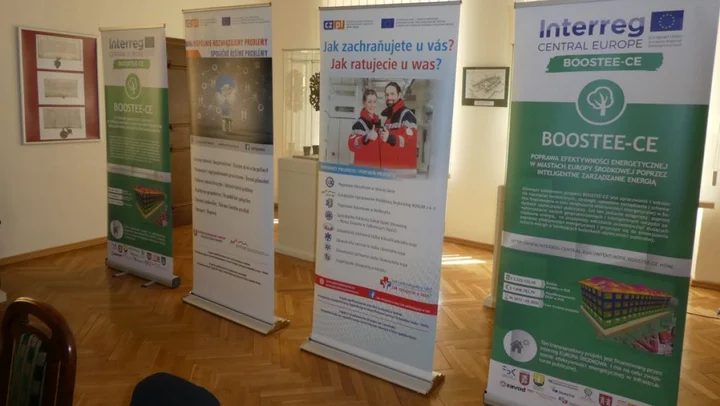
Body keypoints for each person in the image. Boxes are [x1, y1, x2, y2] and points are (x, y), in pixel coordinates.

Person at [379, 82, 418, 170]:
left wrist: (390, 138)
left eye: (392, 94)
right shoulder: (389, 117)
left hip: (401, 171)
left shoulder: (407, 115)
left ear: (399, 95)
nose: (389, 97)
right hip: (388, 169)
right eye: (387, 95)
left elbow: (410, 143)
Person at [348, 88, 382, 168]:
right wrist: (366, 138)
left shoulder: (377, 122)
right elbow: (351, 145)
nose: (372, 105)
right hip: (363, 169)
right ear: (363, 103)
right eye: (369, 102)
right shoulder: (359, 124)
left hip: (376, 167)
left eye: (374, 102)